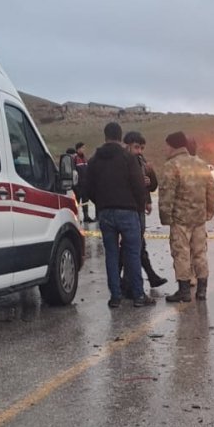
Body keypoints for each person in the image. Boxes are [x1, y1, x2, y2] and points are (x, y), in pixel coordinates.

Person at [85, 122, 151, 309]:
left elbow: (88, 188)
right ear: (120, 137)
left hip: (105, 212)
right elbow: (138, 186)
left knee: (111, 255)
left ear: (105, 136)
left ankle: (115, 296)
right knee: (133, 253)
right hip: (128, 211)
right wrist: (138, 205)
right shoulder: (128, 158)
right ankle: (138, 295)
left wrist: (101, 203)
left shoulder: (94, 160)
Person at [158, 130, 214, 302]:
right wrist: (209, 212)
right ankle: (202, 291)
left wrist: (166, 218)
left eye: (166, 146)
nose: (165, 149)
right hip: (199, 219)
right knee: (200, 253)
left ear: (172, 145)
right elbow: (212, 191)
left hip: (180, 220)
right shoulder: (201, 164)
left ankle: (184, 291)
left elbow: (166, 194)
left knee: (181, 254)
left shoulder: (171, 165)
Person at [122, 130, 167, 291]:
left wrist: (149, 184)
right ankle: (136, 280)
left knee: (137, 244)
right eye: (136, 147)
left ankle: (138, 278)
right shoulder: (123, 161)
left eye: (141, 148)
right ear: (127, 145)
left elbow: (152, 185)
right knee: (134, 245)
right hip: (128, 209)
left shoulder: (141, 161)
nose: (139, 151)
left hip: (139, 207)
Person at [73, 142, 92, 224]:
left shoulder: (85, 158)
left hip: (85, 184)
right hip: (78, 184)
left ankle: (86, 216)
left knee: (85, 201)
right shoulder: (74, 158)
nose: (84, 149)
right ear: (78, 149)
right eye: (82, 148)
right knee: (77, 202)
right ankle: (76, 217)